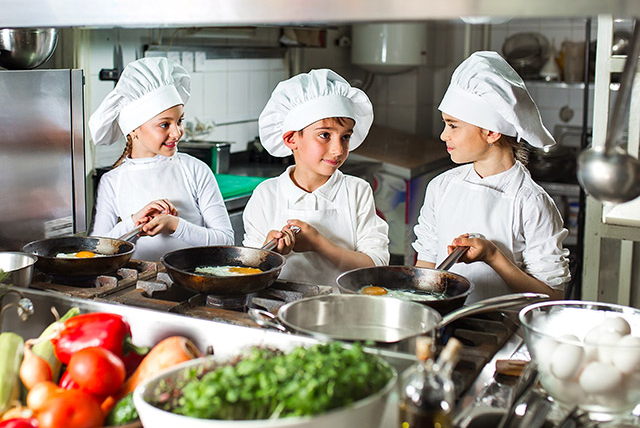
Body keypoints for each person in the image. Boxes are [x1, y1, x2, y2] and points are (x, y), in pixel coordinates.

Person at [413, 51, 570, 303]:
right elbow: (426, 269)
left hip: (505, 333)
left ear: (491, 132)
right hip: (444, 325)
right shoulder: (441, 187)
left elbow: (551, 296)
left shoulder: (531, 202)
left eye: (453, 125)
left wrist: (493, 256)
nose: (443, 135)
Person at [242, 69, 389, 286]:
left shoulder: (357, 191)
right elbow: (248, 272)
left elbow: (376, 266)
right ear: (292, 139)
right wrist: (269, 250)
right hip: (278, 310)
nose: (338, 149)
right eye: (324, 135)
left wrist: (318, 243)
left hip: (345, 310)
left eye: (346, 137)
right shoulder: (267, 194)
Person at [88, 57, 234, 261]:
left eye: (179, 121)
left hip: (197, 280)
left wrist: (175, 225)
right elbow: (96, 249)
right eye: (165, 124)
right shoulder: (113, 181)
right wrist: (133, 221)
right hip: (137, 287)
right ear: (134, 129)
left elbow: (226, 241)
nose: (177, 132)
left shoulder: (195, 170)